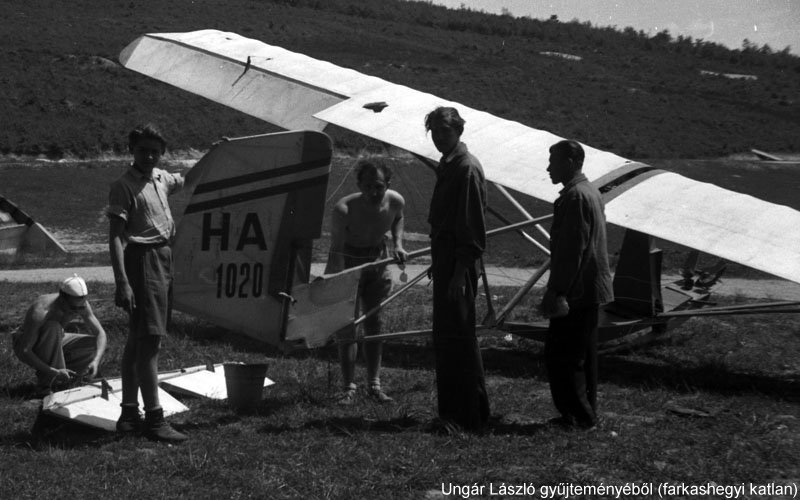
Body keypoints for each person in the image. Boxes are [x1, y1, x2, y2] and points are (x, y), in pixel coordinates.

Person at [107, 123, 197, 443]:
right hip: (143, 260)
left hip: (163, 257)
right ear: (132, 149)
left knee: (137, 340)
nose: (149, 156)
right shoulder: (124, 186)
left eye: (155, 152)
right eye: (144, 150)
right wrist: (123, 282)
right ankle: (155, 419)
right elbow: (116, 239)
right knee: (150, 342)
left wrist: (218, 152)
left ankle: (129, 414)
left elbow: (188, 178)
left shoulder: (160, 177)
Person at [425, 106, 490, 432]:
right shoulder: (450, 164)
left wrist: (458, 273)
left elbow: (471, 229)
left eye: (445, 132)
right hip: (447, 263)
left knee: (457, 340)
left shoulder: (465, 169)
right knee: (453, 338)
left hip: (458, 266)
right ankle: (463, 413)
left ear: (458, 131)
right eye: (434, 132)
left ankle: (463, 418)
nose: (439, 139)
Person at [540, 139, 614, 429]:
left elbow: (572, 251)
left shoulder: (574, 197)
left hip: (577, 290)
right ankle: (585, 414)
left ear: (569, 162)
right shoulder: (589, 192)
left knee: (563, 356)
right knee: (582, 355)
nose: (548, 168)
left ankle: (576, 417)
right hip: (591, 287)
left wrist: (556, 290)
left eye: (553, 161)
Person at [325, 159, 408, 405]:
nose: (374, 192)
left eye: (379, 186)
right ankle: (348, 386)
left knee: (375, 322)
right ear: (359, 185)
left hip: (378, 261)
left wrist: (398, 244)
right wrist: (337, 281)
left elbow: (398, 218)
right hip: (350, 262)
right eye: (368, 186)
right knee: (348, 325)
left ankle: (374, 384)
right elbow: (336, 249)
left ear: (388, 185)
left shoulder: (395, 200)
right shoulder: (344, 209)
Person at [12, 274, 107, 397]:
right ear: (62, 297)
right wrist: (54, 372)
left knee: (94, 344)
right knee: (53, 327)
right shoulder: (42, 311)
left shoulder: (81, 304)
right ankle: (44, 388)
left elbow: (101, 334)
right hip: (25, 344)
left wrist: (96, 360)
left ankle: (74, 378)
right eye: (73, 307)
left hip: (55, 338)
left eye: (81, 306)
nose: (77, 311)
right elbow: (25, 350)